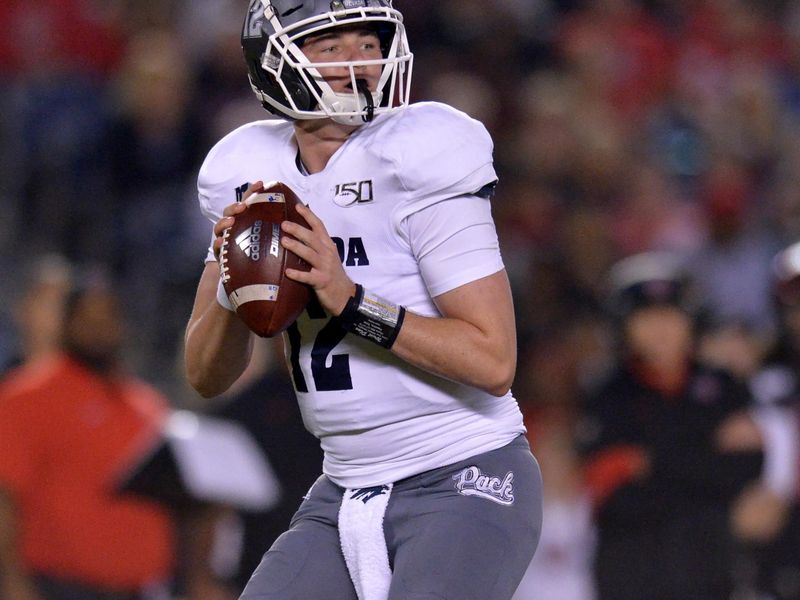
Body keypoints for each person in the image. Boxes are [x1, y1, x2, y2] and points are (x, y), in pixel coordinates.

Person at [184, 1, 543, 599]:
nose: (363, 61)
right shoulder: (248, 172)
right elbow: (204, 376)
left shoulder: (418, 154)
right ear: (275, 64)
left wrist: (350, 302)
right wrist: (230, 288)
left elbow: (493, 362)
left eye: (370, 42)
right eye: (332, 47)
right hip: (344, 484)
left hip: (464, 471)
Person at [578, 251, 765, 600]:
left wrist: (649, 462)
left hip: (712, 577)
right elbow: (614, 497)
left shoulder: (723, 386)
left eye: (671, 315)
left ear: (692, 322)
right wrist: (706, 454)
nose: (661, 329)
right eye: (646, 318)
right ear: (624, 327)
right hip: (631, 580)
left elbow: (748, 469)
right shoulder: (605, 393)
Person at [0, 275, 175, 600]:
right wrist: (10, 582)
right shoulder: (26, 395)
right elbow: (5, 498)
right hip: (55, 586)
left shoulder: (149, 405)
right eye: (87, 318)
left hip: (139, 589)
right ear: (66, 323)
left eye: (108, 318)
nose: (99, 328)